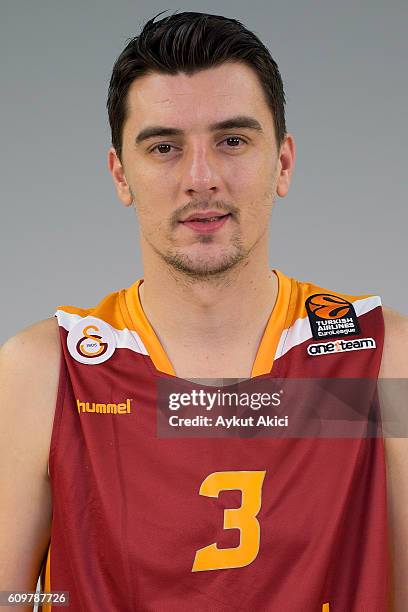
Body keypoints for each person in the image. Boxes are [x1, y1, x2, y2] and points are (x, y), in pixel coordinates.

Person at [1, 10, 407, 611]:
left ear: (284, 163)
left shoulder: (376, 357)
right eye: (164, 147)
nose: (201, 178)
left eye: (232, 140)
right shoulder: (48, 372)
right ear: (121, 174)